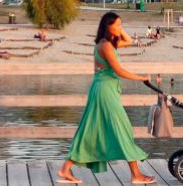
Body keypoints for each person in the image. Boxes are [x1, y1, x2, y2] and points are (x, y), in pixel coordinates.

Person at [57, 11, 154, 184]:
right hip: (104, 92)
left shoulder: (109, 43)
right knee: (121, 127)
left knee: (91, 130)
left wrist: (118, 28)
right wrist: (142, 78)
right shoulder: (105, 46)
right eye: (116, 25)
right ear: (107, 26)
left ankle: (65, 169)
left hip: (106, 90)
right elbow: (119, 71)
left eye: (120, 24)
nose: (119, 28)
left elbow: (130, 41)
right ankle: (136, 175)